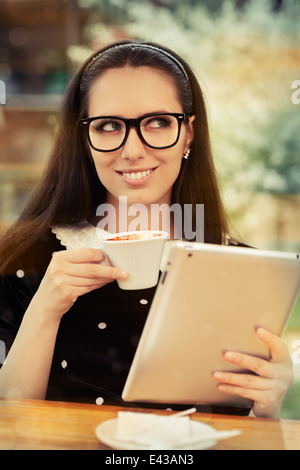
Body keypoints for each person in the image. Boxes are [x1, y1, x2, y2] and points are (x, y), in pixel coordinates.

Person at [0, 40, 293, 418]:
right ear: (83, 138)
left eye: (157, 122)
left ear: (189, 133)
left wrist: (266, 407)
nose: (133, 150)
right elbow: (8, 420)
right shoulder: (27, 257)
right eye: (108, 126)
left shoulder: (240, 269)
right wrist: (44, 309)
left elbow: (236, 425)